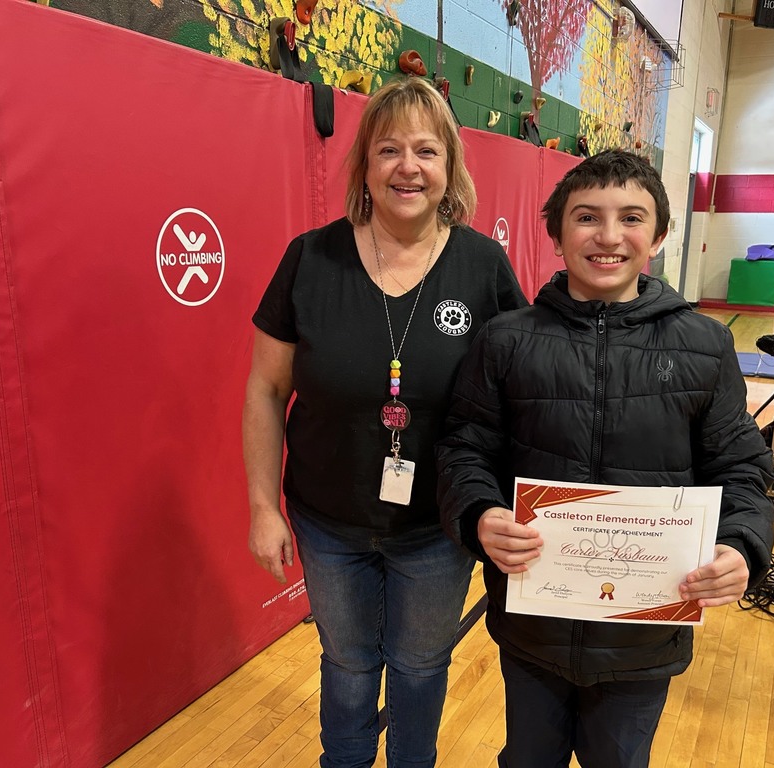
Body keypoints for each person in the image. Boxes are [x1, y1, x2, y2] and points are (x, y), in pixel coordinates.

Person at [436, 149, 774, 768]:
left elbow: (742, 468)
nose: (609, 236)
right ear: (557, 233)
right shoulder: (507, 339)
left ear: (660, 235)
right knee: (526, 759)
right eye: (587, 217)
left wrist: (741, 544)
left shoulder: (703, 345)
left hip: (644, 632)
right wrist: (480, 514)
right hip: (532, 625)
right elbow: (465, 449)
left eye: (632, 218)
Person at [243, 76, 527, 768]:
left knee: (420, 666)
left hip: (437, 525)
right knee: (345, 664)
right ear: (365, 166)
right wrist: (261, 506)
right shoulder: (310, 259)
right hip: (326, 518)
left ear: (449, 167)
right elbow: (264, 389)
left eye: (426, 151)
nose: (408, 167)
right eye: (389, 149)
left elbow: (521, 394)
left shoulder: (483, 266)